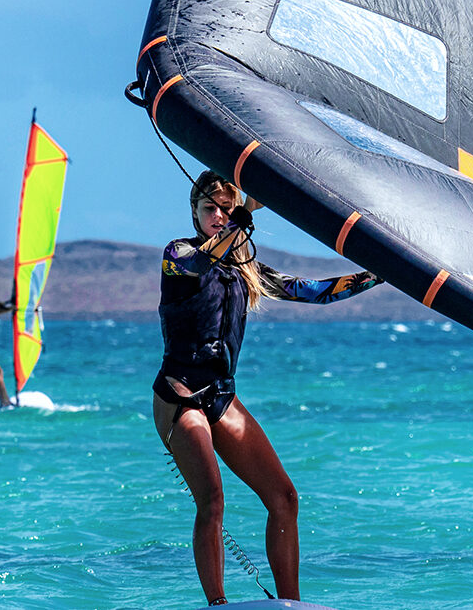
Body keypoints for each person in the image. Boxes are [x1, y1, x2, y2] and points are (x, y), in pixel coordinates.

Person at [153, 170, 382, 605]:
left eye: (226, 207)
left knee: (284, 497)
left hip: (221, 396)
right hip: (179, 397)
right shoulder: (178, 255)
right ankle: (217, 604)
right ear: (195, 212)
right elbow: (203, 263)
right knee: (213, 499)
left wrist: (383, 274)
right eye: (210, 209)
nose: (219, 216)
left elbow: (315, 292)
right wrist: (243, 214)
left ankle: (290, 604)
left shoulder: (248, 269)